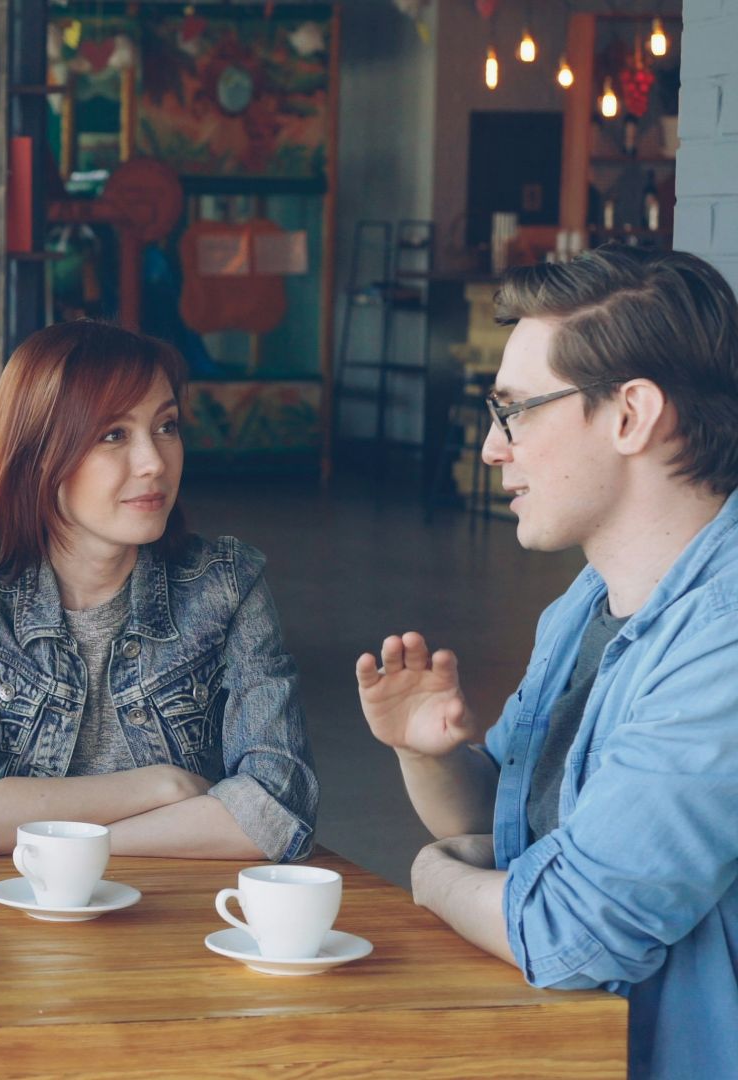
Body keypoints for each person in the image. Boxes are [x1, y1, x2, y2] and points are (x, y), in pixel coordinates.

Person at [358, 245, 738, 1078]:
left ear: (631, 414)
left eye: (518, 410)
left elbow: (571, 933)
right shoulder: (589, 600)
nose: (494, 448)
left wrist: (430, 879)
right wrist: (426, 753)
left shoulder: (725, 643)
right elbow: (508, 832)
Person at [0, 319, 316, 862]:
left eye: (166, 426)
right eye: (114, 434)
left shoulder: (226, 584)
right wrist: (163, 788)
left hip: (186, 919)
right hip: (22, 919)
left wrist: (76, 850)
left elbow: (278, 807)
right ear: (37, 454)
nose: (153, 462)